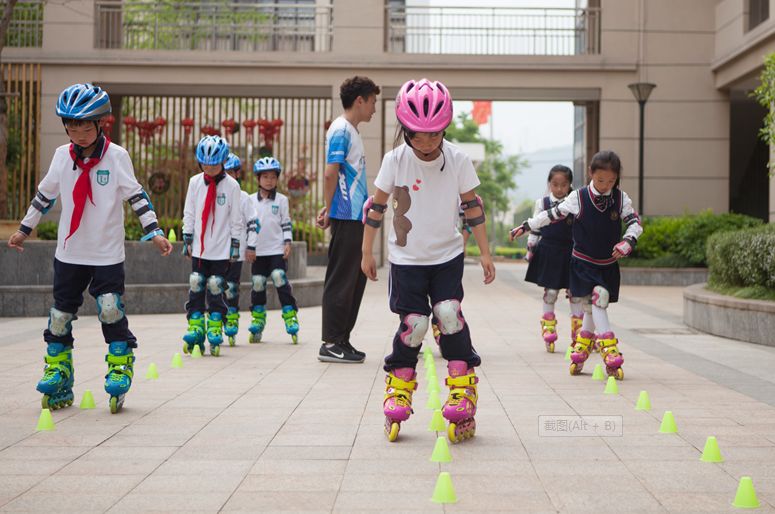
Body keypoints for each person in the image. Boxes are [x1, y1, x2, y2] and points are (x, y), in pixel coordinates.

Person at [7, 83, 172, 414]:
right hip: (69, 253)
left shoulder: (116, 156)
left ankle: (120, 364)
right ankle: (58, 370)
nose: (79, 133)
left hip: (106, 253)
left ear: (100, 124)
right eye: (72, 126)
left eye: (85, 126)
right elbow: (45, 195)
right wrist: (24, 229)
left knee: (110, 308)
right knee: (60, 315)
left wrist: (153, 231)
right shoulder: (60, 157)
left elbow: (136, 196)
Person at [361, 78, 495, 443]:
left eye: (434, 135)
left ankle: (462, 386)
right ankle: (399, 385)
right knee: (415, 324)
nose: (427, 143)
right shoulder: (394, 159)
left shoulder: (458, 159)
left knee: (449, 314)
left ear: (444, 129)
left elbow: (473, 207)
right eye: (418, 135)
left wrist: (485, 253)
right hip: (406, 259)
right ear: (405, 130)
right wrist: (366, 252)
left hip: (447, 256)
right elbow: (375, 208)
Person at [511, 150, 643, 380]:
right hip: (582, 263)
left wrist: (628, 241)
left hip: (607, 263)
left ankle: (581, 347)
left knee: (592, 307)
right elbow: (551, 214)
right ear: (591, 173)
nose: (605, 185)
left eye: (611, 181)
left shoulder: (621, 199)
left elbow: (635, 223)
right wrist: (526, 226)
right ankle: (609, 349)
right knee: (597, 299)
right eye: (601, 180)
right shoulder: (578, 198)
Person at [316, 76, 380, 363]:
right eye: (373, 102)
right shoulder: (341, 129)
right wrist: (329, 209)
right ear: (360, 100)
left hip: (356, 216)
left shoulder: (351, 131)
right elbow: (331, 172)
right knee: (341, 280)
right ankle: (330, 342)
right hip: (346, 215)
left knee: (355, 281)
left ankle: (342, 339)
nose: (375, 108)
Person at [181, 135, 244, 357]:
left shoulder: (232, 186)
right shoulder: (195, 182)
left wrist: (235, 246)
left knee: (217, 286)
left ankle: (216, 323)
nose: (209, 167)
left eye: (214, 164)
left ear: (223, 162)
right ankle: (196, 325)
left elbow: (236, 219)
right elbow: (189, 211)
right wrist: (187, 237)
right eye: (205, 164)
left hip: (221, 248)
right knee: (196, 284)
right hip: (199, 247)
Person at [524, 165, 583, 353]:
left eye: (563, 185)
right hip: (549, 251)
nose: (559, 189)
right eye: (555, 184)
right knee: (550, 292)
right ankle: (548, 327)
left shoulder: (575, 202)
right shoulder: (542, 203)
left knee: (576, 293)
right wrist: (530, 250)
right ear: (549, 183)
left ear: (569, 185)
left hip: (571, 252)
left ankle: (580, 333)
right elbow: (535, 228)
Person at [247, 157, 300, 344]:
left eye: (273, 177)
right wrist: (249, 246)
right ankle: (258, 319)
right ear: (258, 179)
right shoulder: (250, 200)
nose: (269, 180)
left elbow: (286, 223)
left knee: (279, 277)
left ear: (277, 179)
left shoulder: (282, 200)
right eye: (265, 176)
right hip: (258, 251)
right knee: (258, 283)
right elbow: (248, 225)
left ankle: (290, 315)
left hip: (276, 248)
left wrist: (287, 242)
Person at [222, 153, 259, 346]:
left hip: (236, 252)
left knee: (232, 287)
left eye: (230, 172)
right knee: (215, 286)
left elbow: (253, 223)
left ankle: (231, 319)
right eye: (224, 172)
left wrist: (251, 245)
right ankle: (216, 320)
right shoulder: (215, 193)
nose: (227, 176)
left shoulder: (244, 197)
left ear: (237, 174)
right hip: (216, 250)